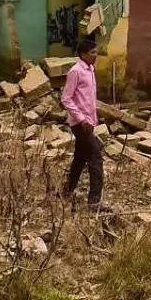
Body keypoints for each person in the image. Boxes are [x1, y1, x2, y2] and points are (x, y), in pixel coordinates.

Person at [62, 40, 106, 209]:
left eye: (96, 52)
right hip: (80, 124)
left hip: (89, 122)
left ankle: (67, 191)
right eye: (93, 52)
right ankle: (94, 201)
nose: (96, 55)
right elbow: (66, 98)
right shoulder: (76, 71)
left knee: (80, 158)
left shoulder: (90, 69)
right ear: (83, 54)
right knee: (96, 158)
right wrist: (81, 119)